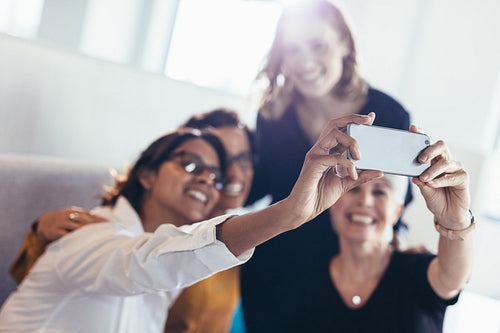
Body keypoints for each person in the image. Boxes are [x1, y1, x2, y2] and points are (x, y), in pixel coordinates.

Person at [0, 113, 383, 332]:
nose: (207, 179)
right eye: (189, 164)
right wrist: (290, 212)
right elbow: (144, 262)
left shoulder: (185, 252)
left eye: (214, 175)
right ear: (146, 175)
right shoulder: (90, 234)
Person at [241, 1, 412, 330]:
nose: (304, 61)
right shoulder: (272, 114)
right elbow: (262, 184)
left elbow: (397, 201)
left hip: (348, 273)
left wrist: (399, 244)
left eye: (318, 45)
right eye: (292, 50)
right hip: (278, 269)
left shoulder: (389, 114)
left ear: (345, 44)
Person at [8, 108, 255, 333]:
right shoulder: (100, 231)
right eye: (192, 164)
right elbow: (134, 262)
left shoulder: (245, 247)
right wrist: (39, 232)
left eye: (242, 159)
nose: (231, 172)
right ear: (148, 174)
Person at [279, 127, 474, 332]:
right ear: (333, 204)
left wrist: (456, 220)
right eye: (353, 189)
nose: (365, 201)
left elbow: (452, 278)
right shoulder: (305, 282)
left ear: (397, 211)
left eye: (380, 192)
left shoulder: (416, 274)